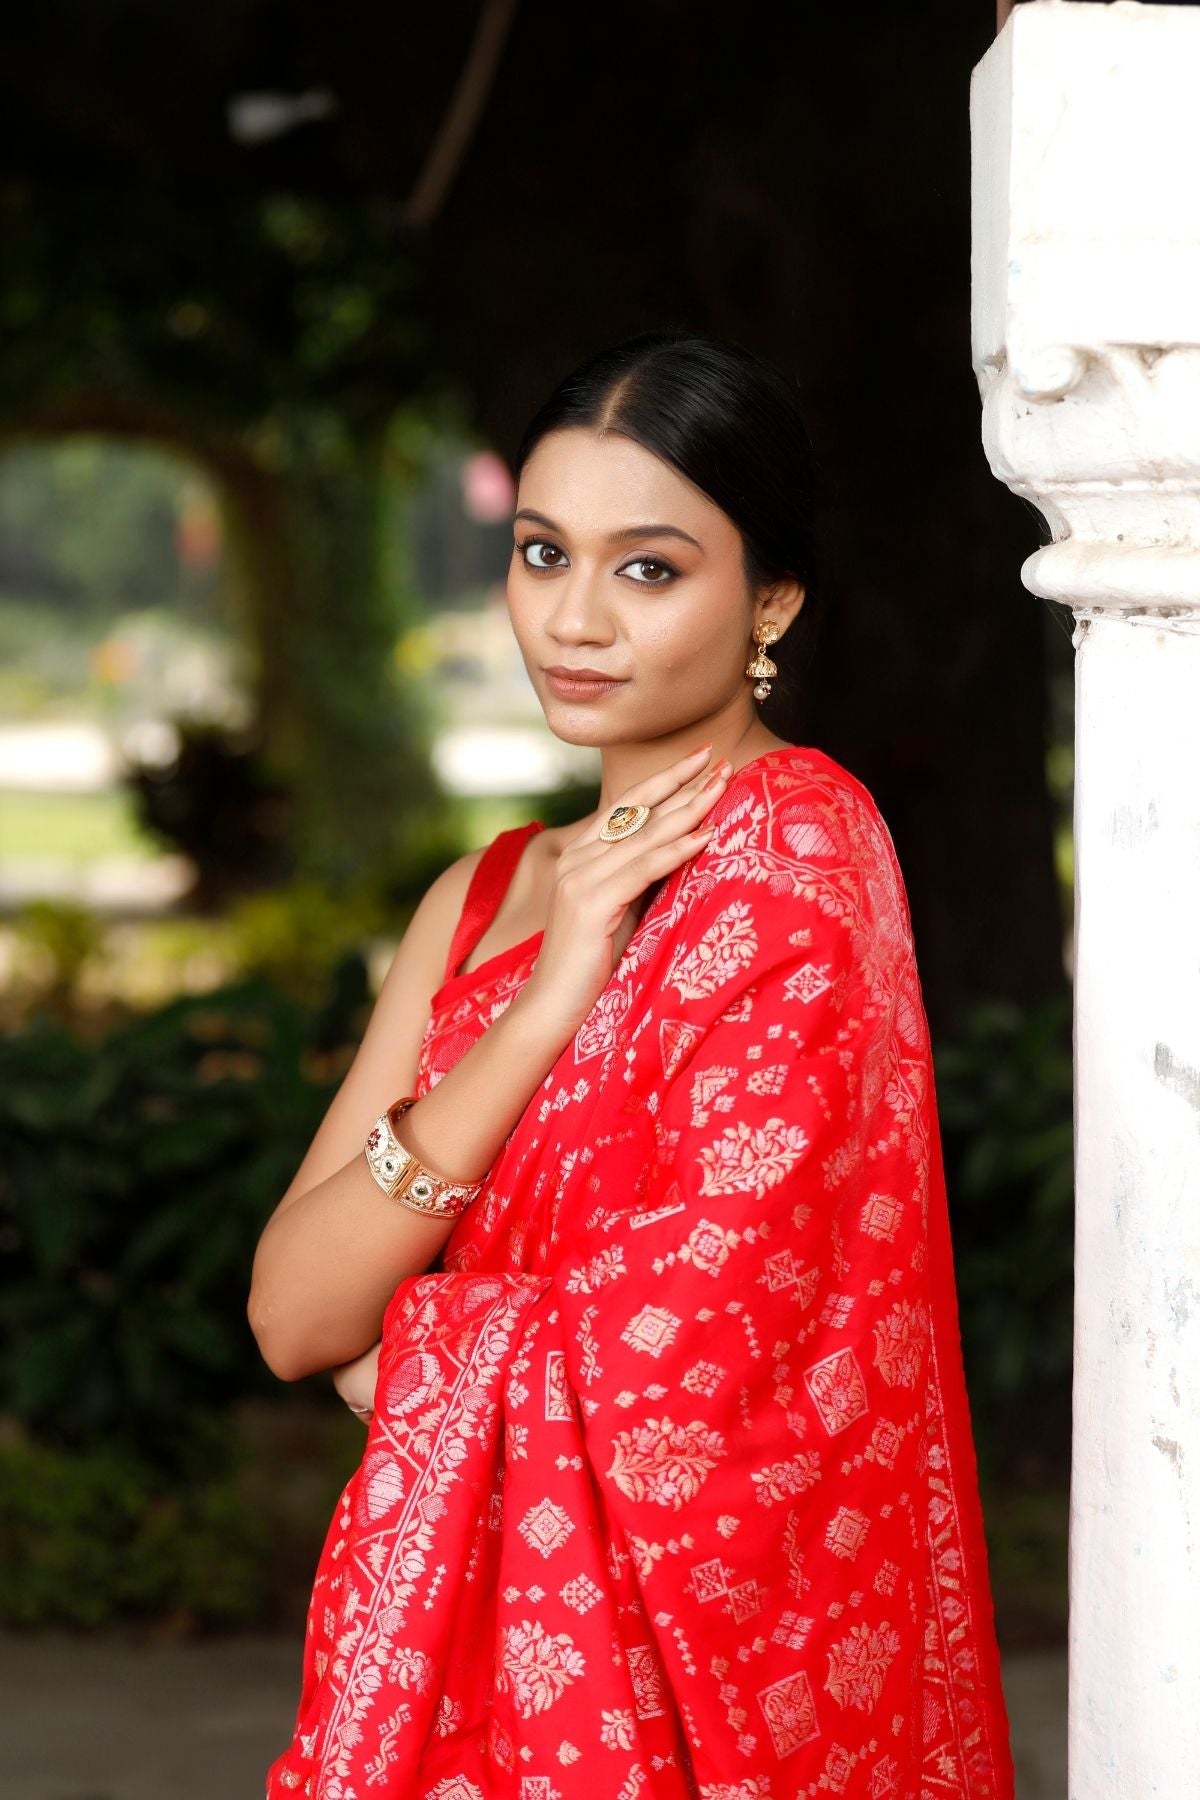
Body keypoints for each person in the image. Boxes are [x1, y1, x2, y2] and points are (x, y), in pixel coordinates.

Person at [250, 328, 1015, 1798]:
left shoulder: (796, 851)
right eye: (544, 554)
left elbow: (705, 1351)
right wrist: (544, 1003)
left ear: (769, 600)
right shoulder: (481, 899)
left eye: (649, 569)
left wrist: (405, 1353)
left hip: (677, 1707)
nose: (576, 620)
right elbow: (291, 1309)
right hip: (454, 1690)